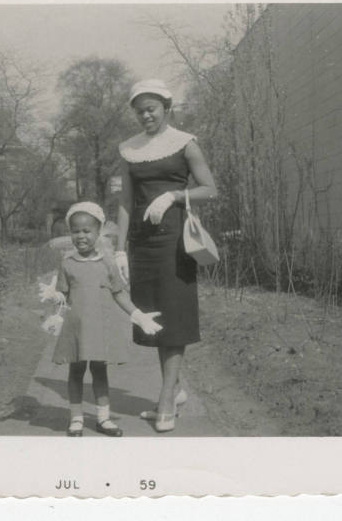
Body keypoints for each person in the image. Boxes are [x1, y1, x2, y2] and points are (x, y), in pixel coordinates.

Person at [115, 79, 218, 432]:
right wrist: (119, 249)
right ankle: (172, 390)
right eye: (140, 110)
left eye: (152, 109)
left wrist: (173, 196)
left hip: (175, 242)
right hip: (142, 245)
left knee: (174, 318)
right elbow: (126, 202)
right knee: (155, 318)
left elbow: (210, 189)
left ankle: (164, 399)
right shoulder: (128, 150)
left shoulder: (185, 144)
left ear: (166, 108)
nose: (146, 116)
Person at [40, 202, 163, 437]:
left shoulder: (107, 262)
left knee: (99, 372)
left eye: (87, 231)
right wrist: (54, 297)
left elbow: (119, 292)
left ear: (98, 232)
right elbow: (63, 296)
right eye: (75, 231)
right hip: (75, 329)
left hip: (100, 329)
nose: (81, 236)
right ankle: (76, 418)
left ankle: (103, 419)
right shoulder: (67, 263)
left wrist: (138, 315)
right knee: (76, 372)